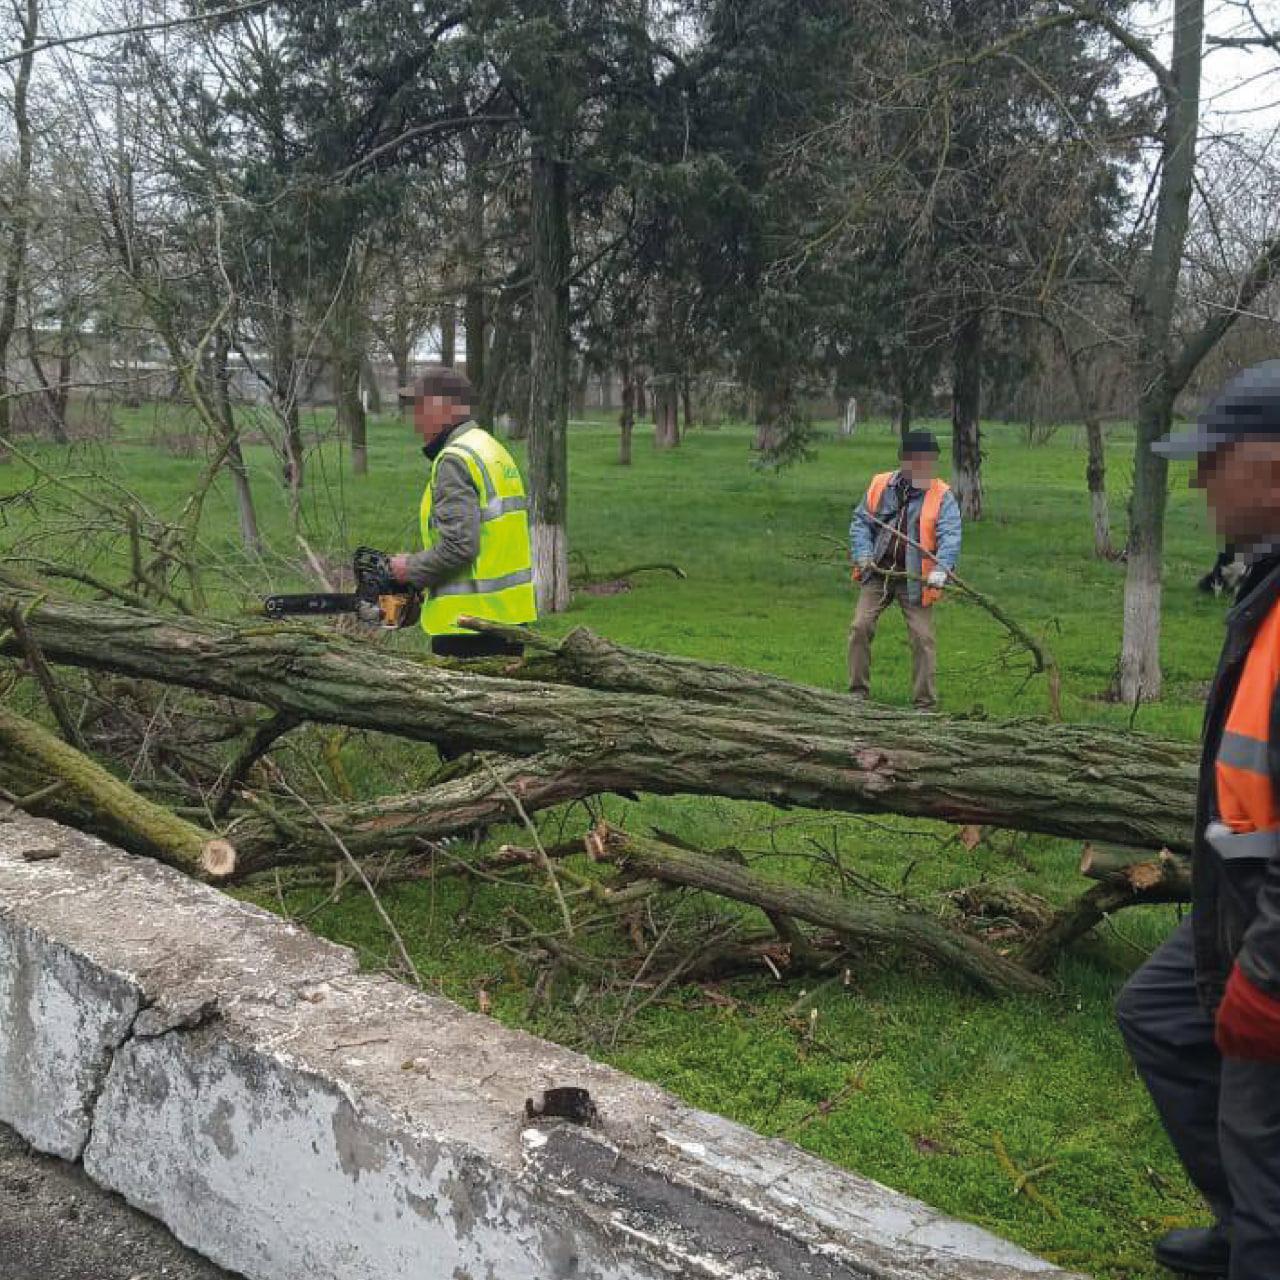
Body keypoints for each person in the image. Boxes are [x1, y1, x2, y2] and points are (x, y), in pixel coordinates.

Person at [1116, 360, 1280, 1280]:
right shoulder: (1264, 581)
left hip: (1270, 929)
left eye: (1217, 460)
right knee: (1160, 1016)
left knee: (1263, 1132)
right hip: (1237, 900)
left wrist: (1265, 974)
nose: (1198, 480)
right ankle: (1241, 1224)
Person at [388, 366, 537, 658]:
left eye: (419, 407)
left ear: (441, 408)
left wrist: (410, 569)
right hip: (507, 622)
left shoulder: (454, 460)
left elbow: (459, 546)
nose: (415, 420)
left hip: (468, 630)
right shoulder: (491, 449)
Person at [848, 430, 962, 710]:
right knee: (859, 627)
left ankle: (925, 704)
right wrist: (863, 555)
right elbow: (860, 523)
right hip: (878, 572)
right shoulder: (880, 484)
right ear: (906, 461)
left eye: (930, 460)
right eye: (919, 460)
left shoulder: (942, 496)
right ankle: (856, 696)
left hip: (916, 579)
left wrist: (940, 570)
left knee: (923, 638)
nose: (925, 466)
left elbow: (951, 536)